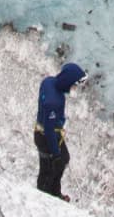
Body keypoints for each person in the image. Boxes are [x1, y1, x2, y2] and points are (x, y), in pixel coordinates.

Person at [34, 61, 86, 200]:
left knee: (63, 159)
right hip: (46, 137)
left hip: (44, 132)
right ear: (68, 82)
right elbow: (49, 131)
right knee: (50, 167)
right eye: (74, 84)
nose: (75, 87)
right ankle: (45, 196)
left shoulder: (48, 82)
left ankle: (54, 192)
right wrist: (56, 153)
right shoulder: (54, 101)